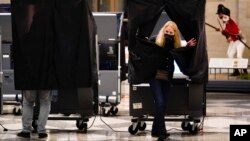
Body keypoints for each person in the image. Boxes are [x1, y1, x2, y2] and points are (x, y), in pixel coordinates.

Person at [150, 21, 196, 141]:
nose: (168, 34)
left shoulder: (175, 46)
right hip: (154, 75)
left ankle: (155, 129)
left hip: (167, 76)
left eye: (171, 32)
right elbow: (145, 50)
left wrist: (187, 47)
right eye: (167, 31)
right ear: (163, 30)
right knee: (159, 102)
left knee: (162, 105)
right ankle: (161, 132)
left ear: (175, 34)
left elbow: (179, 53)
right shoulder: (155, 40)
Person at [216, 5, 248, 76]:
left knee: (239, 56)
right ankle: (236, 71)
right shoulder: (225, 23)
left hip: (240, 40)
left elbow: (228, 19)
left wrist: (225, 16)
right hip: (234, 41)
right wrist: (221, 31)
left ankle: (245, 72)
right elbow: (227, 34)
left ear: (223, 13)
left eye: (219, 13)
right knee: (230, 54)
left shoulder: (228, 19)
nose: (218, 15)